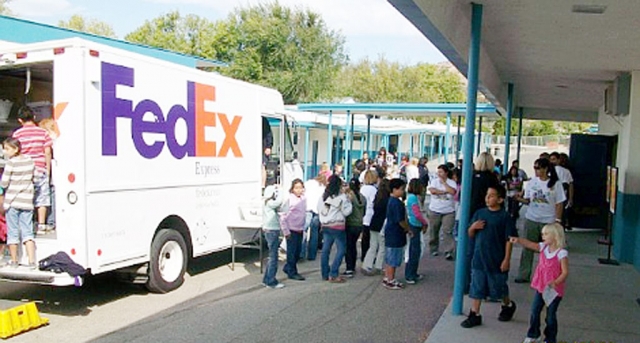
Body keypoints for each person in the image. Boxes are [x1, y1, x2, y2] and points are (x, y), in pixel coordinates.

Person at [461, 185, 517, 328]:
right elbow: (470, 234)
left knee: (498, 286)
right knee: (477, 286)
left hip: (497, 259)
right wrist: (473, 227)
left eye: (492, 195)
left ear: (500, 199)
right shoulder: (480, 213)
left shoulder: (505, 217)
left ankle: (507, 305)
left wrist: (507, 259)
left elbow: (509, 239)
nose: (487, 198)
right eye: (487, 195)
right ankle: (475, 314)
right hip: (479, 257)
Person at [510, 223, 569, 343]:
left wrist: (556, 282)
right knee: (534, 311)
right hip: (541, 286)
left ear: (555, 236)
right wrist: (519, 240)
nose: (543, 236)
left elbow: (565, 272)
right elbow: (530, 244)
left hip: (554, 290)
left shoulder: (561, 253)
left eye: (546, 234)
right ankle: (533, 334)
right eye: (543, 234)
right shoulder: (543, 247)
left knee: (550, 316)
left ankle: (550, 338)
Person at [514, 158, 565, 283]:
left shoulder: (555, 184)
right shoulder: (532, 183)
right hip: (532, 217)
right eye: (535, 168)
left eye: (538, 168)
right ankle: (523, 274)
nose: (536, 171)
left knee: (549, 249)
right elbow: (528, 199)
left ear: (545, 169)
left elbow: (559, 203)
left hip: (548, 220)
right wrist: (518, 199)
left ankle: (549, 274)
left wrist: (558, 220)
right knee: (528, 246)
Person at [12, 107, 53, 234]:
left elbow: (15, 153)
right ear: (34, 117)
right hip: (40, 169)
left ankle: (28, 226)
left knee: (26, 198)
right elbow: (47, 152)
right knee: (42, 197)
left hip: (24, 170)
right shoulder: (43, 133)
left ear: (20, 120)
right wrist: (48, 170)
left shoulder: (17, 134)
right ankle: (41, 225)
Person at [0, 138, 36, 269]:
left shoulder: (11, 163)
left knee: (13, 232)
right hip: (27, 201)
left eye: (7, 148)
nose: (5, 151)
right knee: (28, 232)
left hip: (12, 202)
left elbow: (4, 183)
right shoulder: (29, 160)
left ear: (15, 149)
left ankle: (14, 261)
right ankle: (32, 261)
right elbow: (35, 177)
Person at [318, 175, 352, 283]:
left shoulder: (323, 197)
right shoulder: (342, 197)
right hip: (337, 226)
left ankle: (325, 274)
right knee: (341, 250)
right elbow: (347, 212)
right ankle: (333, 273)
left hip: (325, 226)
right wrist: (349, 200)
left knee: (325, 250)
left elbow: (318, 209)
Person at [382, 178, 411, 290]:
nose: (403, 191)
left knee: (390, 257)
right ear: (394, 189)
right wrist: (408, 229)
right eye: (402, 189)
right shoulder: (397, 203)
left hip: (390, 232)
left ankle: (387, 277)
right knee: (393, 258)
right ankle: (390, 279)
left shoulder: (390, 201)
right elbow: (401, 220)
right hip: (396, 233)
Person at [427, 164, 457, 260]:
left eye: (441, 172)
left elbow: (452, 191)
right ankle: (433, 248)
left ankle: (449, 251)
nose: (438, 174)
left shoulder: (451, 182)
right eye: (438, 171)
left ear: (446, 173)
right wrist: (444, 192)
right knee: (434, 230)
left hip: (448, 211)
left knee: (447, 231)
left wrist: (444, 183)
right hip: (435, 210)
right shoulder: (434, 181)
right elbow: (432, 191)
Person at [362, 179, 390, 275]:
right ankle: (379, 266)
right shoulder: (388, 200)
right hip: (382, 225)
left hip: (373, 223)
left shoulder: (377, 197)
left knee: (373, 245)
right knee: (382, 246)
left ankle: (367, 265)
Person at [279, 179, 306, 281]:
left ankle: (288, 267)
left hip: (300, 229)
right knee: (292, 252)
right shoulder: (290, 199)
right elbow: (283, 216)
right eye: (296, 188)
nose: (299, 190)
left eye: (300, 188)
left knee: (298, 252)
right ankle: (292, 272)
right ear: (292, 189)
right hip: (291, 229)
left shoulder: (303, 199)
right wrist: (286, 231)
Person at [262, 184, 285, 289]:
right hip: (272, 231)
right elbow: (279, 201)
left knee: (271, 256)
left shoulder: (266, 203)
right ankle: (271, 281)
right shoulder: (270, 203)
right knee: (273, 257)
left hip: (269, 230)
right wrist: (280, 190)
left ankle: (266, 279)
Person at [405, 179, 428, 284]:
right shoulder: (414, 198)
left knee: (414, 249)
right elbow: (417, 214)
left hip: (413, 223)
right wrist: (424, 222)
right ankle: (410, 274)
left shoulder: (410, 197)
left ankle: (412, 273)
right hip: (415, 224)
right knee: (415, 250)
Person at [344, 178, 366, 278]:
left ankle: (349, 268)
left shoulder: (349, 197)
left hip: (350, 223)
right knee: (353, 246)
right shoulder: (362, 197)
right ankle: (353, 266)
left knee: (348, 246)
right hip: (359, 224)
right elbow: (364, 212)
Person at [303, 173, 326, 261]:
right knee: (314, 232)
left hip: (307, 208)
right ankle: (312, 255)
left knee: (304, 231)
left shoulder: (309, 183)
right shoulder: (323, 188)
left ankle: (301, 253)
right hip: (317, 211)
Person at [359, 170, 378, 262]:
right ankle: (370, 257)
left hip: (364, 216)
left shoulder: (362, 188)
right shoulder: (373, 190)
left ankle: (363, 256)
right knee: (372, 239)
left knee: (365, 238)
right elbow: (374, 202)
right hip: (371, 215)